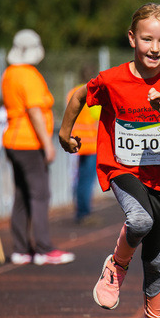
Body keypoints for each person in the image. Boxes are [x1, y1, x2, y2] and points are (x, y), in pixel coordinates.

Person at [59, 3, 160, 318]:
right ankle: (117, 265)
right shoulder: (112, 79)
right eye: (147, 39)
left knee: (157, 261)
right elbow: (79, 96)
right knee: (139, 220)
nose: (154, 48)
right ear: (132, 38)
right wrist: (64, 133)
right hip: (122, 168)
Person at [1, 29, 75, 266]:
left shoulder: (9, 73)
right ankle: (43, 248)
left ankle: (21, 249)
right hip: (29, 142)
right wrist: (47, 144)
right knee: (40, 194)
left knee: (22, 194)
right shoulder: (29, 75)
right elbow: (34, 111)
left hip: (12, 140)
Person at [66, 64, 102, 224]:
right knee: (87, 180)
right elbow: (97, 118)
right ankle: (84, 213)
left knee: (80, 178)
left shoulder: (72, 92)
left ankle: (80, 210)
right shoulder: (92, 93)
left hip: (76, 141)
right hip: (91, 143)